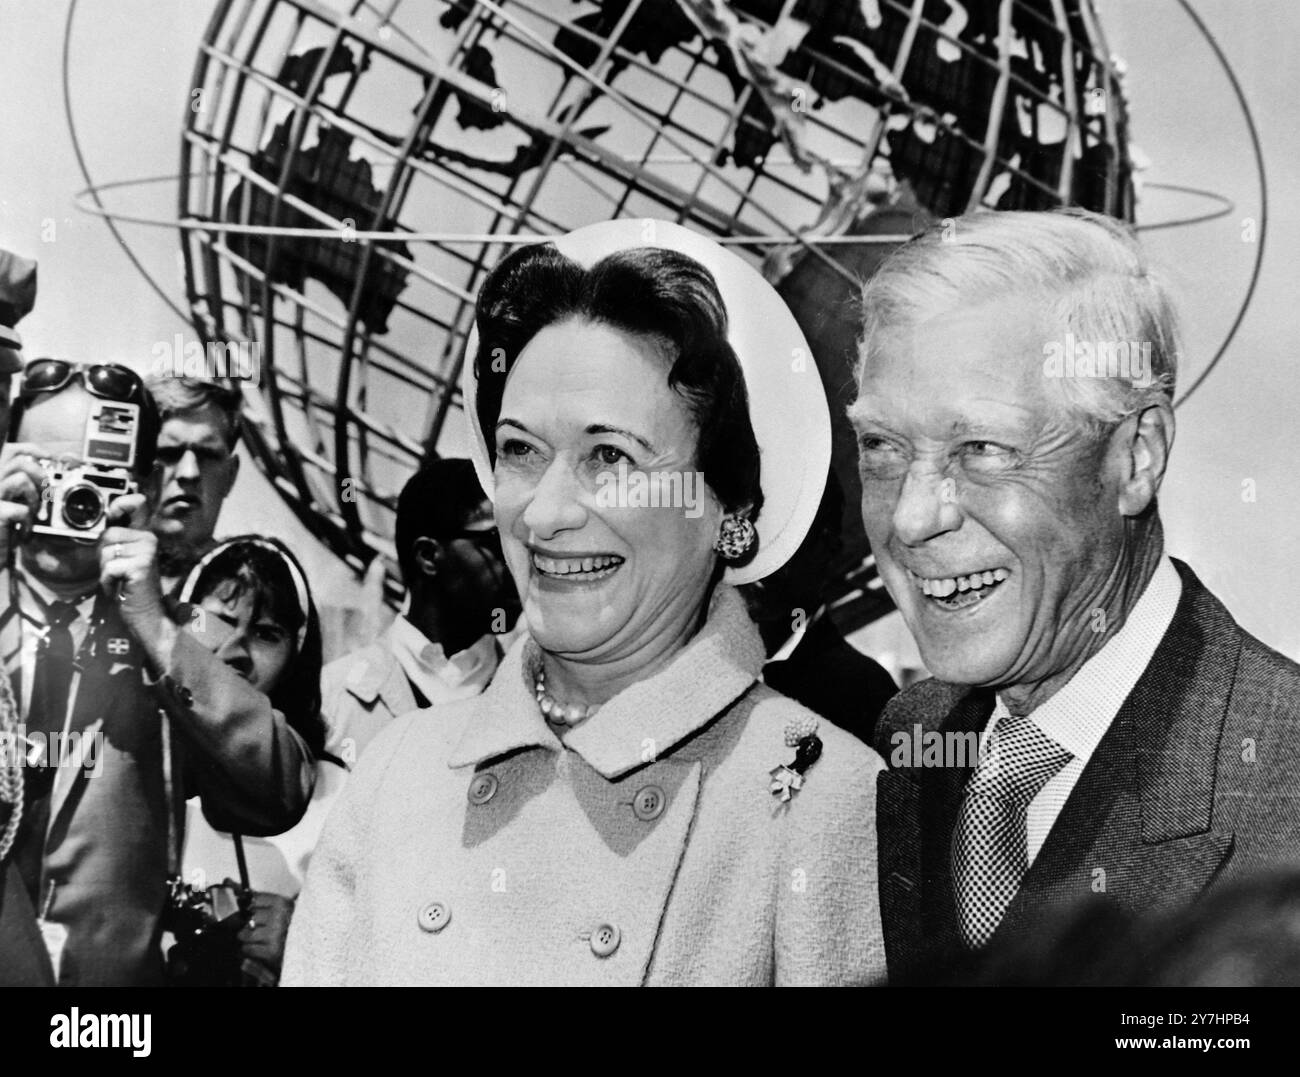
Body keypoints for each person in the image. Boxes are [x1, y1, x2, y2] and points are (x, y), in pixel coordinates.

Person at [283, 220, 887, 986]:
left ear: (727, 507)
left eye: (610, 456)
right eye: (520, 451)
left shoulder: (820, 807)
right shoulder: (396, 776)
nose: (543, 513)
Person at [852, 208, 1300, 982]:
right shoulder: (914, 736)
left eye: (983, 449)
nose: (911, 518)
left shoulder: (1284, 788)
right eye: (883, 448)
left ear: (1136, 456)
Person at [0, 360, 313, 986]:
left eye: (93, 479)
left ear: (142, 485)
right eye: (47, 474)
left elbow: (281, 788)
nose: (69, 500)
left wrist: (156, 628)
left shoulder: (174, 634)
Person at [173, 537, 346, 986]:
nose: (234, 652)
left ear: (298, 654)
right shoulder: (134, 766)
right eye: (215, 623)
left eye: (267, 634)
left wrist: (304, 942)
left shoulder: (338, 796)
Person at [320, 457, 518, 765]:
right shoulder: (332, 700)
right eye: (496, 540)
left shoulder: (538, 700)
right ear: (428, 556)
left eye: (521, 540)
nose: (518, 561)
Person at [750, 470, 897, 744]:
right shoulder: (703, 663)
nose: (765, 560)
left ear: (827, 547)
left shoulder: (864, 691)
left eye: (789, 538)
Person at [144, 376, 242, 594]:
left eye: (208, 455)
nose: (190, 472)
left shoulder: (251, 594)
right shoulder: (83, 576)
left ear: (231, 475)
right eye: (168, 454)